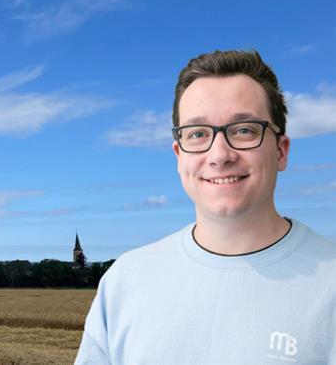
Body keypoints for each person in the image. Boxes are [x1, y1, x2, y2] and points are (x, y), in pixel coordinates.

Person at [74, 49, 336, 365]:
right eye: (198, 134)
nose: (219, 154)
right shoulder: (124, 282)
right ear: (178, 155)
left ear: (281, 151)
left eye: (244, 130)